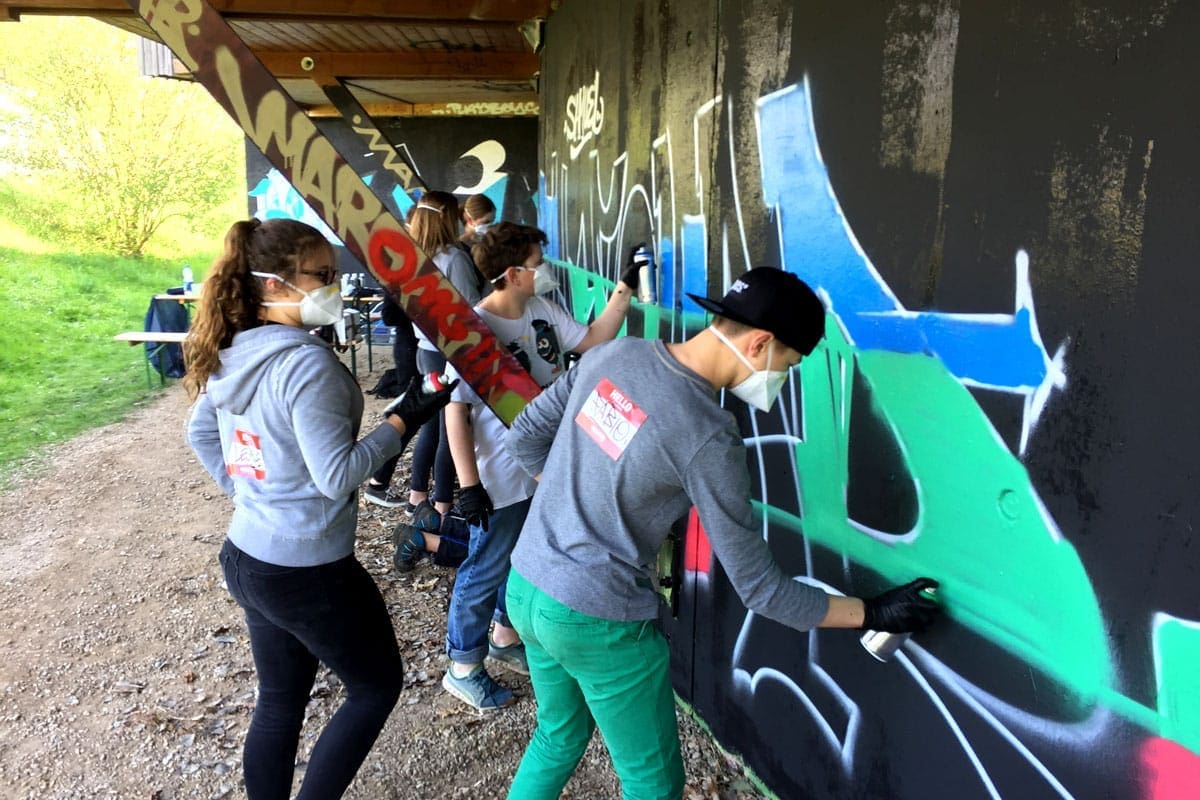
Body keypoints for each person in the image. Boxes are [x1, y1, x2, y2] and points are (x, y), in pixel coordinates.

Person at [502, 266, 943, 798]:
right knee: (652, 784)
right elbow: (762, 590)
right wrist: (870, 613)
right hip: (595, 617)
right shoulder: (707, 435)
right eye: (789, 365)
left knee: (557, 736)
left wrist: (569, 502)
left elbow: (524, 437)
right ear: (760, 344)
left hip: (526, 584)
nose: (783, 379)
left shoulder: (613, 354)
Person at [183, 217, 455, 800]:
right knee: (376, 687)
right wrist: (405, 418)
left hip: (248, 554)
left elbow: (200, 432)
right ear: (273, 285)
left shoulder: (233, 350)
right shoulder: (306, 364)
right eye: (321, 275)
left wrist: (252, 497)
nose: (334, 286)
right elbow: (337, 477)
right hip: (305, 571)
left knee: (280, 701)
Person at [438, 222, 641, 711]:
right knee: (484, 566)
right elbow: (455, 412)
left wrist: (624, 290)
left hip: (543, 469)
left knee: (524, 557)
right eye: (536, 263)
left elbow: (592, 340)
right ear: (512, 274)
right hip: (500, 478)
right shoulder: (473, 331)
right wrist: (469, 486)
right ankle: (462, 665)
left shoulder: (541, 310)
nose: (543, 271)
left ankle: (504, 635)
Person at [362, 191, 487, 514]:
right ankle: (443, 503)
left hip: (424, 349)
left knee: (430, 426)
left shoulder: (411, 258)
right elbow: (475, 310)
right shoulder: (453, 258)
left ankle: (417, 497)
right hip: (451, 352)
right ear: (446, 218)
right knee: (451, 428)